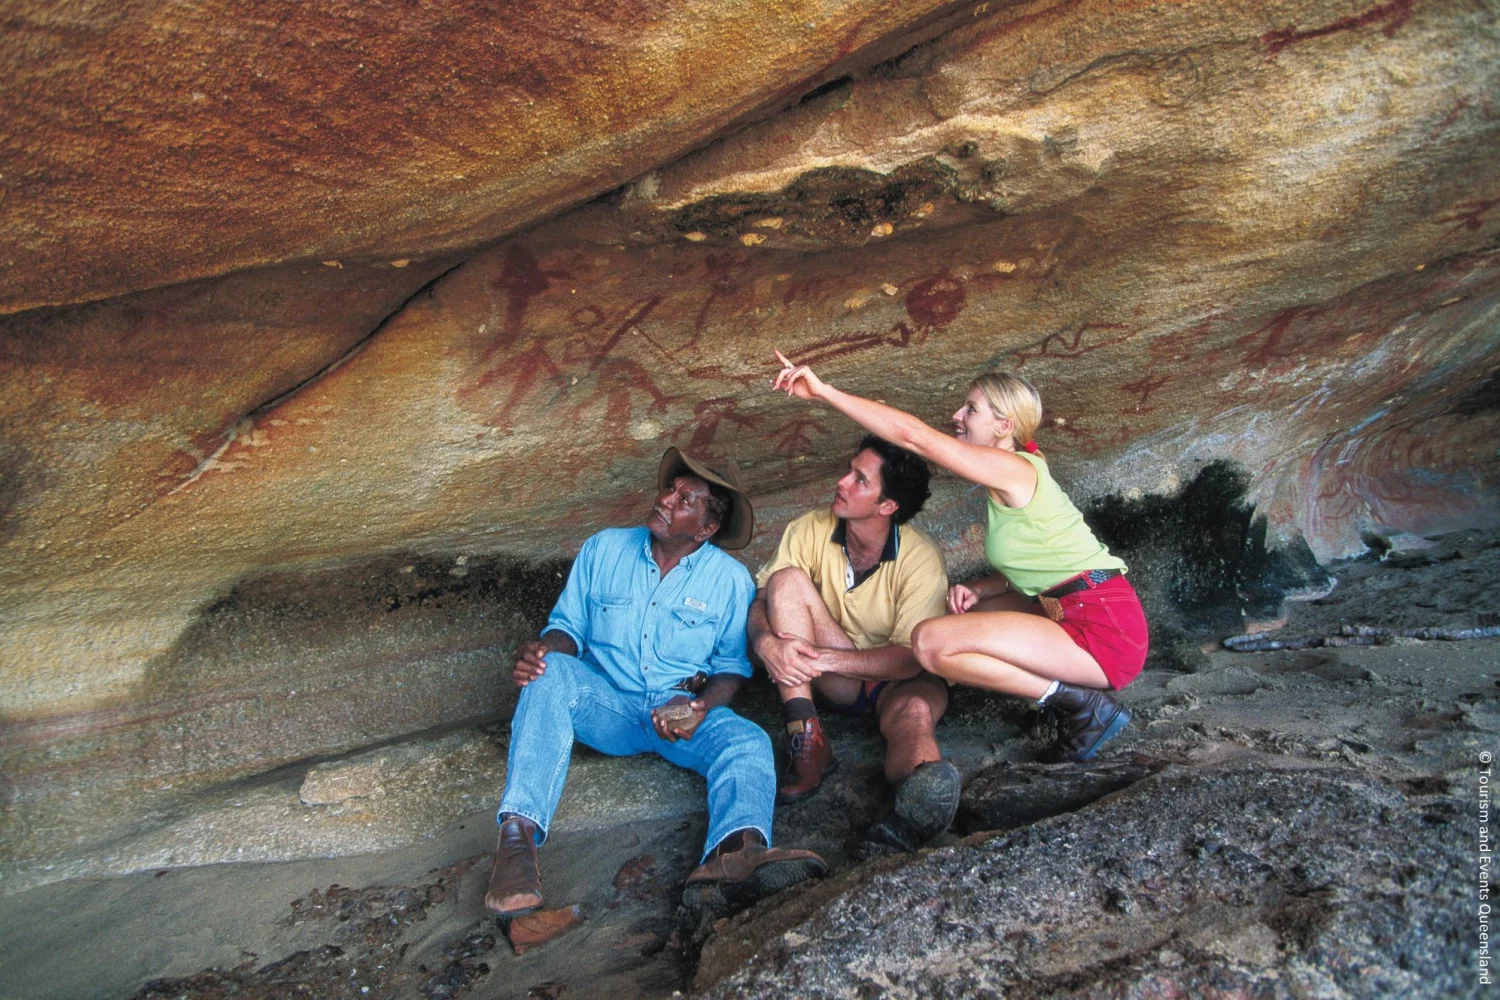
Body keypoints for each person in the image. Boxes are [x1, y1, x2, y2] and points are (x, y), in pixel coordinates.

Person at [485, 447, 826, 919]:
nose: (667, 500)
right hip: (607, 706)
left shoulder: (729, 580)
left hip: (679, 713)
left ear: (706, 529)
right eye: (671, 489)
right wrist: (544, 652)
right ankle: (517, 845)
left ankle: (735, 853)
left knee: (746, 739)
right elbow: (568, 628)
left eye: (686, 499)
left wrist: (701, 707)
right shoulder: (603, 548)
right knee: (550, 674)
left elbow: (732, 669)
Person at [771, 352, 1148, 763]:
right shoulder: (1013, 474)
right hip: (1068, 606)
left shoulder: (1014, 469)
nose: (957, 415)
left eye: (971, 409)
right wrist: (981, 587)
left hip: (1104, 625)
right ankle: (1067, 699)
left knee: (930, 642)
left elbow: (913, 436)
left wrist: (825, 392)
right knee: (954, 620)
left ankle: (1079, 705)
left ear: (1004, 426)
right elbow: (1049, 565)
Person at [748, 434, 960, 850]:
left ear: (887, 506)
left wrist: (823, 657)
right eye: (849, 470)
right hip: (835, 674)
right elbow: (760, 601)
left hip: (901, 676)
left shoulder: (921, 559)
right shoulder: (811, 528)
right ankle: (806, 736)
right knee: (785, 581)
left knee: (914, 713)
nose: (842, 482)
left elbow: (907, 661)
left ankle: (917, 810)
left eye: (859, 479)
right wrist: (765, 644)